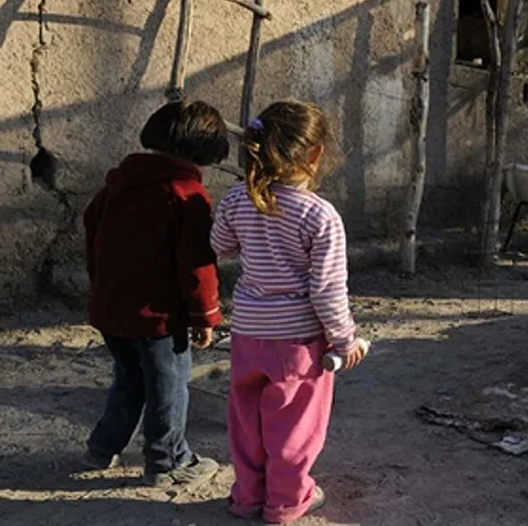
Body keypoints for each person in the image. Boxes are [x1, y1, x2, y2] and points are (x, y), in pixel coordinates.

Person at [210, 100, 366, 524]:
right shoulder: (320, 215)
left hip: (247, 334)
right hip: (297, 343)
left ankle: (246, 496)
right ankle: (285, 501)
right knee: (294, 425)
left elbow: (220, 246)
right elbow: (328, 290)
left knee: (246, 421)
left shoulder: (237, 199)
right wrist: (345, 339)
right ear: (315, 155)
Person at [84, 100, 228, 487]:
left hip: (112, 310)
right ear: (202, 151)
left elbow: (93, 239)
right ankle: (168, 461)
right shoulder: (187, 195)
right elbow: (197, 265)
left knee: (129, 379)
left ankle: (103, 446)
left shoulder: (116, 185)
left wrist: (101, 289)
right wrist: (206, 316)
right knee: (169, 386)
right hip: (160, 318)